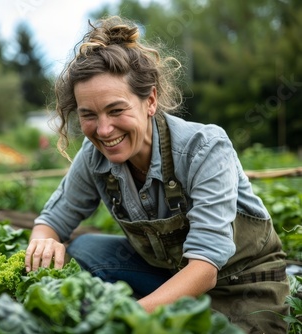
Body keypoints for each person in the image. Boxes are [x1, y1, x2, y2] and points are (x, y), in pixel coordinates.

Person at [24, 15, 289, 333]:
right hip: (171, 276)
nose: (104, 129)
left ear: (149, 100)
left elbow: (204, 269)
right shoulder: (95, 155)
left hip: (241, 284)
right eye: (88, 115)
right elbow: (51, 222)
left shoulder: (204, 148)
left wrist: (124, 318)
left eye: (116, 110)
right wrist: (43, 243)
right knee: (83, 250)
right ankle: (159, 305)